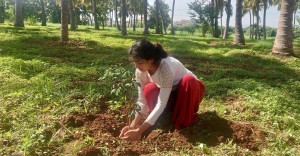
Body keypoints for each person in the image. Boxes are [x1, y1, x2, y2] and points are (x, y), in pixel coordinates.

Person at [119, 39, 205, 141]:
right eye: (134, 62)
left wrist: (140, 131)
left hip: (189, 92)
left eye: (139, 62)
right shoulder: (140, 72)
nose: (137, 66)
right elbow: (142, 101)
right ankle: (167, 118)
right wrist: (133, 125)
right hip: (170, 94)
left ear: (150, 59)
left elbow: (161, 104)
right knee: (149, 89)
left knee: (188, 80)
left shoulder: (166, 67)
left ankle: (183, 122)